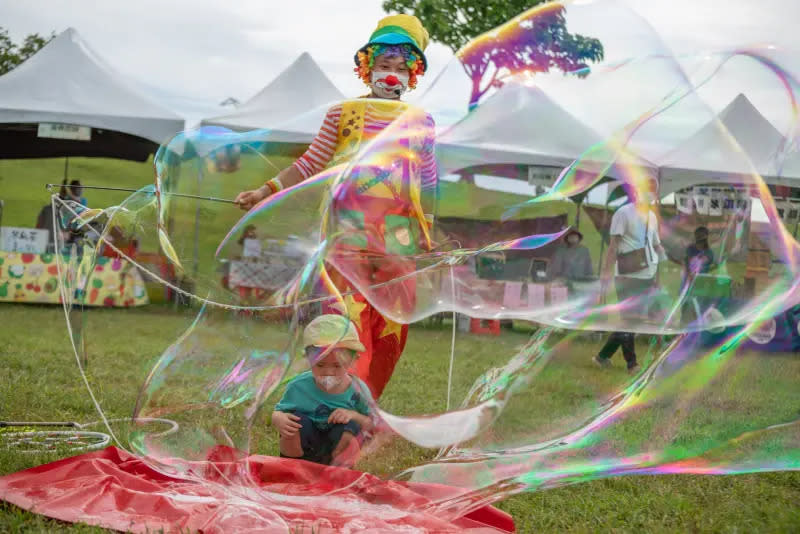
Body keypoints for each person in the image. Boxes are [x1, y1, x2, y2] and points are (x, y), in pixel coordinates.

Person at [235, 14, 436, 399]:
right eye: (384, 65)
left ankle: (366, 403)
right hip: (348, 230)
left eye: (400, 67)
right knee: (346, 317)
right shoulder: (341, 114)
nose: (391, 75)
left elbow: (426, 181)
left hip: (397, 235)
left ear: (412, 74)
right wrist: (264, 191)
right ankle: (337, 400)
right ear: (367, 68)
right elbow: (310, 163)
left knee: (392, 322)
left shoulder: (420, 122)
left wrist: (429, 229)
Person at [272, 314, 374, 466]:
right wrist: (278, 419)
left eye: (337, 365)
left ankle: (339, 471)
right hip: (304, 450)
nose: (328, 372)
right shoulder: (298, 387)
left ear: (352, 361)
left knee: (350, 426)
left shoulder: (358, 390)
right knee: (295, 422)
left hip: (335, 453)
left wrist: (353, 415)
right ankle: (290, 469)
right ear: (309, 360)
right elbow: (278, 411)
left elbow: (371, 424)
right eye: (320, 365)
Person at [593, 178, 666, 374]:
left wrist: (658, 275)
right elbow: (613, 245)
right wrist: (606, 273)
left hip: (647, 275)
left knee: (633, 320)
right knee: (628, 319)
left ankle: (602, 357)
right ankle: (632, 364)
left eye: (653, 190)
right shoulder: (623, 213)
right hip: (627, 275)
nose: (650, 193)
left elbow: (656, 246)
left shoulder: (652, 216)